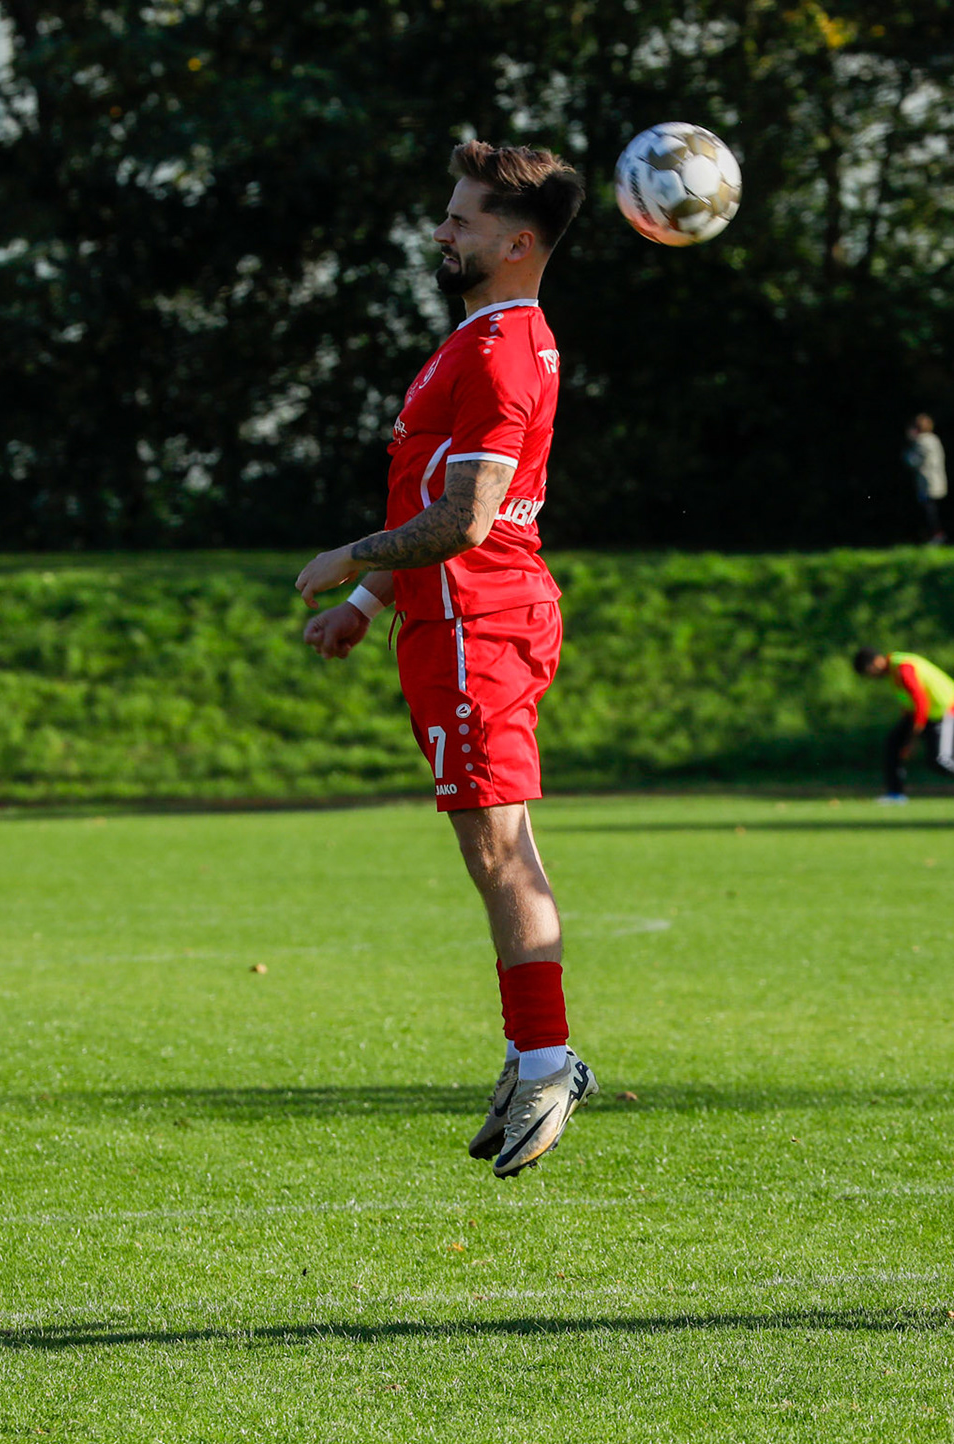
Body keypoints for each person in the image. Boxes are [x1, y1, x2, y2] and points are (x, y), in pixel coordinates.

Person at [294, 140, 597, 1180]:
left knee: (500, 848)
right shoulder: (476, 339)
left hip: (479, 621)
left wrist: (350, 559)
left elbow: (467, 520)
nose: (442, 231)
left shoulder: (502, 350)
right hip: (451, 617)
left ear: (518, 244)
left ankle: (547, 1059)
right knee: (494, 847)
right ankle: (531, 1050)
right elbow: (440, 498)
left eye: (463, 219)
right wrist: (369, 602)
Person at [852, 647, 954, 803]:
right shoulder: (894, 670)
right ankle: (895, 794)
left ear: (875, 662)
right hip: (929, 713)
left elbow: (921, 702)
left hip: (946, 710)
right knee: (893, 743)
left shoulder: (903, 668)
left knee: (942, 760)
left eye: (869, 671)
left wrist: (912, 739)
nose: (872, 676)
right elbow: (909, 702)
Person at [903, 414, 947, 544]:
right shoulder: (934, 439)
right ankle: (936, 535)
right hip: (936, 479)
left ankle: (936, 536)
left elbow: (913, 461)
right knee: (933, 509)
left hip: (926, 481)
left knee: (929, 510)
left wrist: (906, 451)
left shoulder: (921, 441)